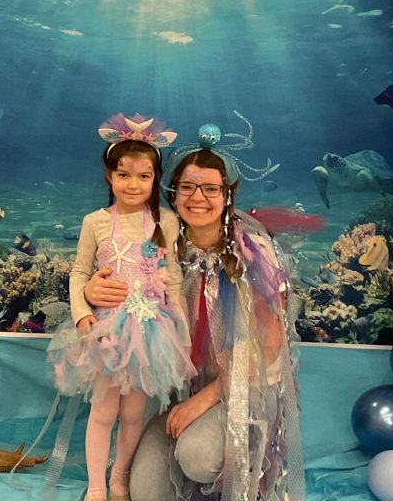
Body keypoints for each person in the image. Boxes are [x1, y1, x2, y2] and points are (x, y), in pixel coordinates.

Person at [84, 132, 306, 501]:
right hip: (187, 388)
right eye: (187, 186)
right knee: (145, 491)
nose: (197, 197)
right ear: (172, 192)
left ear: (228, 194)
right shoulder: (165, 239)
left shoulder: (252, 250)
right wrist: (91, 289)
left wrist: (204, 400)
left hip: (241, 390)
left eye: (211, 188)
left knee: (197, 458)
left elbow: (269, 344)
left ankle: (236, 461)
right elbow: (120, 270)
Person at [47, 113, 196, 501]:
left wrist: (181, 326)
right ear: (109, 177)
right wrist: (82, 313)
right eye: (123, 174)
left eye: (144, 176)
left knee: (133, 414)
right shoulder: (95, 222)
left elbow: (173, 278)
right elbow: (79, 272)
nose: (133, 184)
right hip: (108, 332)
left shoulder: (166, 221)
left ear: (155, 179)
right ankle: (97, 486)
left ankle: (120, 478)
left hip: (151, 335)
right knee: (102, 411)